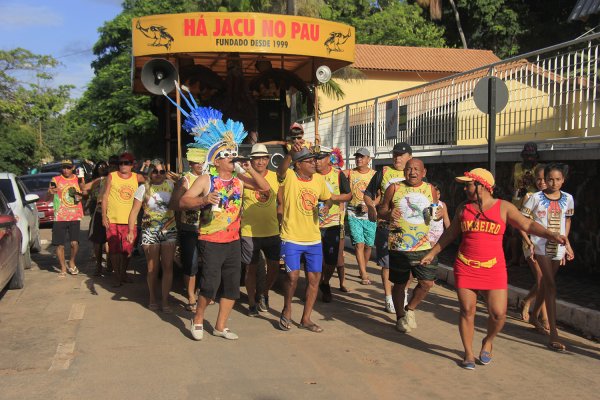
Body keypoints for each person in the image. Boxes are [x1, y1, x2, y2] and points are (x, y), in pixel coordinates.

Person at [420, 168, 566, 369]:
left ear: (482, 186)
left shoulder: (504, 208)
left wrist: (552, 235)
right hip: (465, 265)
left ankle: (488, 341)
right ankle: (469, 354)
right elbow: (451, 233)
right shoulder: (464, 208)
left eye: (469, 184)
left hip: (493, 268)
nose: (465, 188)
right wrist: (432, 252)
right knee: (467, 310)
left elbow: (527, 224)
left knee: (498, 314)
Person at [181, 118, 269, 341]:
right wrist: (203, 201)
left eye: (233, 154)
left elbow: (264, 187)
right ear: (217, 161)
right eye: (228, 155)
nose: (232, 158)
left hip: (233, 239)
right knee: (210, 284)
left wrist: (248, 168)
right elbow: (183, 201)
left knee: (231, 286)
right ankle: (198, 318)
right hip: (210, 239)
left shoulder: (240, 179)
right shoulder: (205, 180)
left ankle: (220, 326)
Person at [378, 158, 440, 333]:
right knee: (400, 283)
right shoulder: (394, 188)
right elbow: (381, 210)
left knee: (427, 282)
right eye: (408, 169)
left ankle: (410, 309)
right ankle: (399, 317)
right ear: (404, 171)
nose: (412, 172)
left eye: (416, 169)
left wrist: (440, 215)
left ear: (424, 172)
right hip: (399, 245)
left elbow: (435, 214)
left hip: (424, 245)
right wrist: (389, 213)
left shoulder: (430, 189)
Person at [276, 146, 333, 333]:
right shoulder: (290, 176)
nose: (314, 163)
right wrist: (291, 153)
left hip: (314, 239)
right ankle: (287, 308)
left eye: (315, 160)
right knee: (292, 277)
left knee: (314, 279)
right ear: (298, 164)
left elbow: (328, 198)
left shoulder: (319, 179)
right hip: (291, 237)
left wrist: (326, 206)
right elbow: (280, 170)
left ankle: (306, 318)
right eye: (309, 161)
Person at [521, 163, 574, 352]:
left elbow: (567, 220)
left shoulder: (568, 199)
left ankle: (535, 314)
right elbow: (523, 221)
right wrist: (529, 242)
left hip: (557, 246)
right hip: (539, 244)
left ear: (563, 180)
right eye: (550, 178)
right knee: (550, 284)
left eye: (558, 179)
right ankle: (554, 334)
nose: (553, 182)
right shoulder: (534, 198)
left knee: (545, 284)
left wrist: (566, 243)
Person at [364, 142, 413, 314]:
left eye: (401, 155)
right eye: (395, 154)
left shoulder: (415, 173)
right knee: (387, 264)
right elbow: (368, 193)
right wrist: (371, 207)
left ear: (410, 157)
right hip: (386, 226)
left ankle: (403, 292)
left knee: (409, 264)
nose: (397, 158)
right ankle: (388, 297)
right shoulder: (383, 172)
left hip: (410, 229)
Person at [127, 159, 177, 312]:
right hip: (150, 230)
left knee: (168, 266)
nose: (159, 174)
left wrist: (178, 178)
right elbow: (134, 211)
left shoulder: (171, 185)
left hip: (169, 230)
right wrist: (130, 230)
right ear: (150, 173)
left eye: (162, 171)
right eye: (155, 171)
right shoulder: (143, 188)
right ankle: (152, 298)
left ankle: (165, 300)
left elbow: (184, 196)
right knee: (152, 267)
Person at [240, 144, 282, 315]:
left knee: (273, 267)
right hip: (250, 232)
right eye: (257, 158)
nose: (261, 161)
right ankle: (251, 302)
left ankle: (263, 293)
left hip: (272, 230)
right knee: (250, 269)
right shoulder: (243, 177)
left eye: (264, 158)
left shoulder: (275, 176)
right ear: (251, 160)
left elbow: (281, 201)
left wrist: (280, 221)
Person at [101, 152, 145, 287]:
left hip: (130, 221)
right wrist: (103, 215)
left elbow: (152, 185)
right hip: (113, 219)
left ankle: (123, 273)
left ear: (132, 165)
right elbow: (105, 196)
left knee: (127, 250)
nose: (123, 165)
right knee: (114, 250)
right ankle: (117, 275)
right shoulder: (112, 176)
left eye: (127, 163)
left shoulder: (138, 178)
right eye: (121, 163)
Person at [169, 152, 206, 312]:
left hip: (208, 228)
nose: (200, 165)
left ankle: (203, 293)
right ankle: (191, 296)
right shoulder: (185, 180)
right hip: (189, 228)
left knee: (208, 263)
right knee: (190, 264)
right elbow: (174, 204)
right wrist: (192, 202)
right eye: (197, 162)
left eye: (202, 162)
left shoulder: (211, 177)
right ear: (190, 163)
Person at [315, 147, 351, 302]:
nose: (316, 162)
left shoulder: (338, 175)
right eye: (315, 159)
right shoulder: (310, 175)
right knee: (315, 260)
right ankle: (314, 288)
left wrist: (333, 197)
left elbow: (349, 194)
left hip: (332, 224)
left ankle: (325, 282)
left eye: (320, 158)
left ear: (328, 158)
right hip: (312, 224)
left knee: (331, 261)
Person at [517, 164, 549, 328]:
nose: (541, 182)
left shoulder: (555, 199)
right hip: (530, 244)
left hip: (548, 245)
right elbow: (521, 224)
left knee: (545, 280)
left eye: (545, 179)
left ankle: (527, 302)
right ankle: (542, 317)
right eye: (538, 179)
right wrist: (528, 242)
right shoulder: (530, 197)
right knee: (541, 279)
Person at [343, 148, 376, 287]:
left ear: (369, 159)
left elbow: (381, 193)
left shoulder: (375, 175)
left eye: (362, 157)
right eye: (357, 157)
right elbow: (336, 174)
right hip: (353, 212)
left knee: (368, 245)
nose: (358, 159)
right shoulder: (350, 173)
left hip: (370, 214)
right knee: (359, 244)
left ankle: (363, 266)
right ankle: (363, 272)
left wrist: (371, 205)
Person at [47, 159, 85, 277]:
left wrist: (81, 195)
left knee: (74, 243)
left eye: (68, 167)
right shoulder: (56, 180)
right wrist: (51, 192)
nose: (66, 170)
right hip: (60, 216)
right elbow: (49, 194)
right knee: (60, 245)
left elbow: (84, 192)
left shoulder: (77, 179)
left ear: (73, 167)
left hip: (74, 215)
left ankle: (72, 261)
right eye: (64, 167)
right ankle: (63, 267)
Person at [507, 142, 540, 266]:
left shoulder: (539, 168)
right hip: (516, 201)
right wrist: (514, 191)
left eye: (531, 156)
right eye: (526, 156)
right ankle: (514, 257)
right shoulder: (517, 167)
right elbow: (510, 184)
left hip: (532, 202)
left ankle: (525, 258)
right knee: (514, 231)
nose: (529, 159)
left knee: (528, 231)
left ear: (536, 157)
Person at [86, 160, 110, 276]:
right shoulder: (96, 181)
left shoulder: (112, 179)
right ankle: (99, 265)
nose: (102, 167)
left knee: (111, 240)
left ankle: (110, 264)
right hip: (98, 211)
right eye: (99, 165)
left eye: (104, 166)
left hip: (113, 212)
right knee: (97, 241)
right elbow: (85, 189)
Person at [427, 182, 451, 247]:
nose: (437, 196)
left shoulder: (442, 204)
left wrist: (450, 231)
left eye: (438, 194)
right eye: (434, 194)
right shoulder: (426, 204)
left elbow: (446, 219)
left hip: (440, 233)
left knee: (437, 251)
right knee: (431, 249)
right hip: (429, 233)